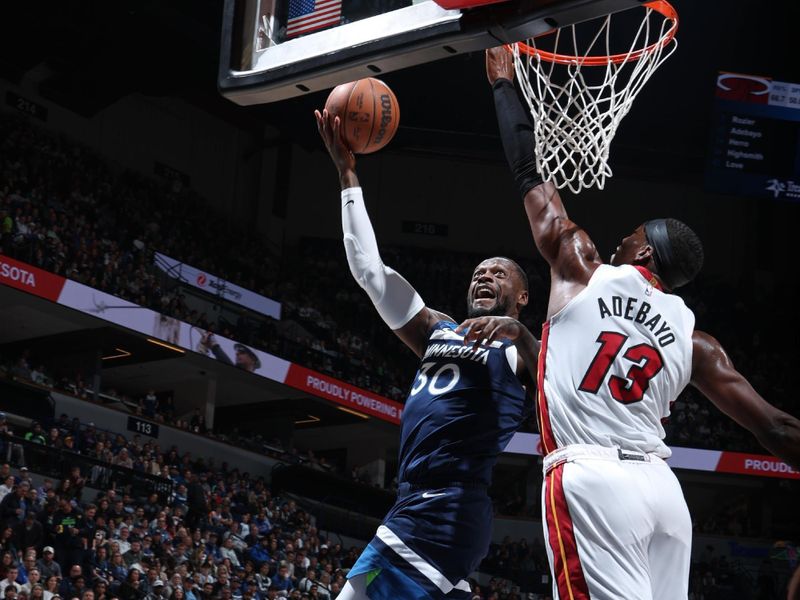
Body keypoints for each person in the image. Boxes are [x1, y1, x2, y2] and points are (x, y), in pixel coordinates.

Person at [485, 46, 800, 600]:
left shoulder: (582, 266)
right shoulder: (697, 340)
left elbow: (527, 172)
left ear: (647, 253)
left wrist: (504, 85)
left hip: (592, 480)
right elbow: (774, 427)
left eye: (631, 234)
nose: (619, 239)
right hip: (662, 492)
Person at [315, 109, 539, 600]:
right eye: (480, 271)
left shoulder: (520, 353)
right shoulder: (437, 329)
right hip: (415, 502)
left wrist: (518, 332)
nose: (485, 276)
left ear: (522, 297)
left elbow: (554, 380)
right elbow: (370, 272)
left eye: (499, 274)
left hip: (445, 508)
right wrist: (347, 175)